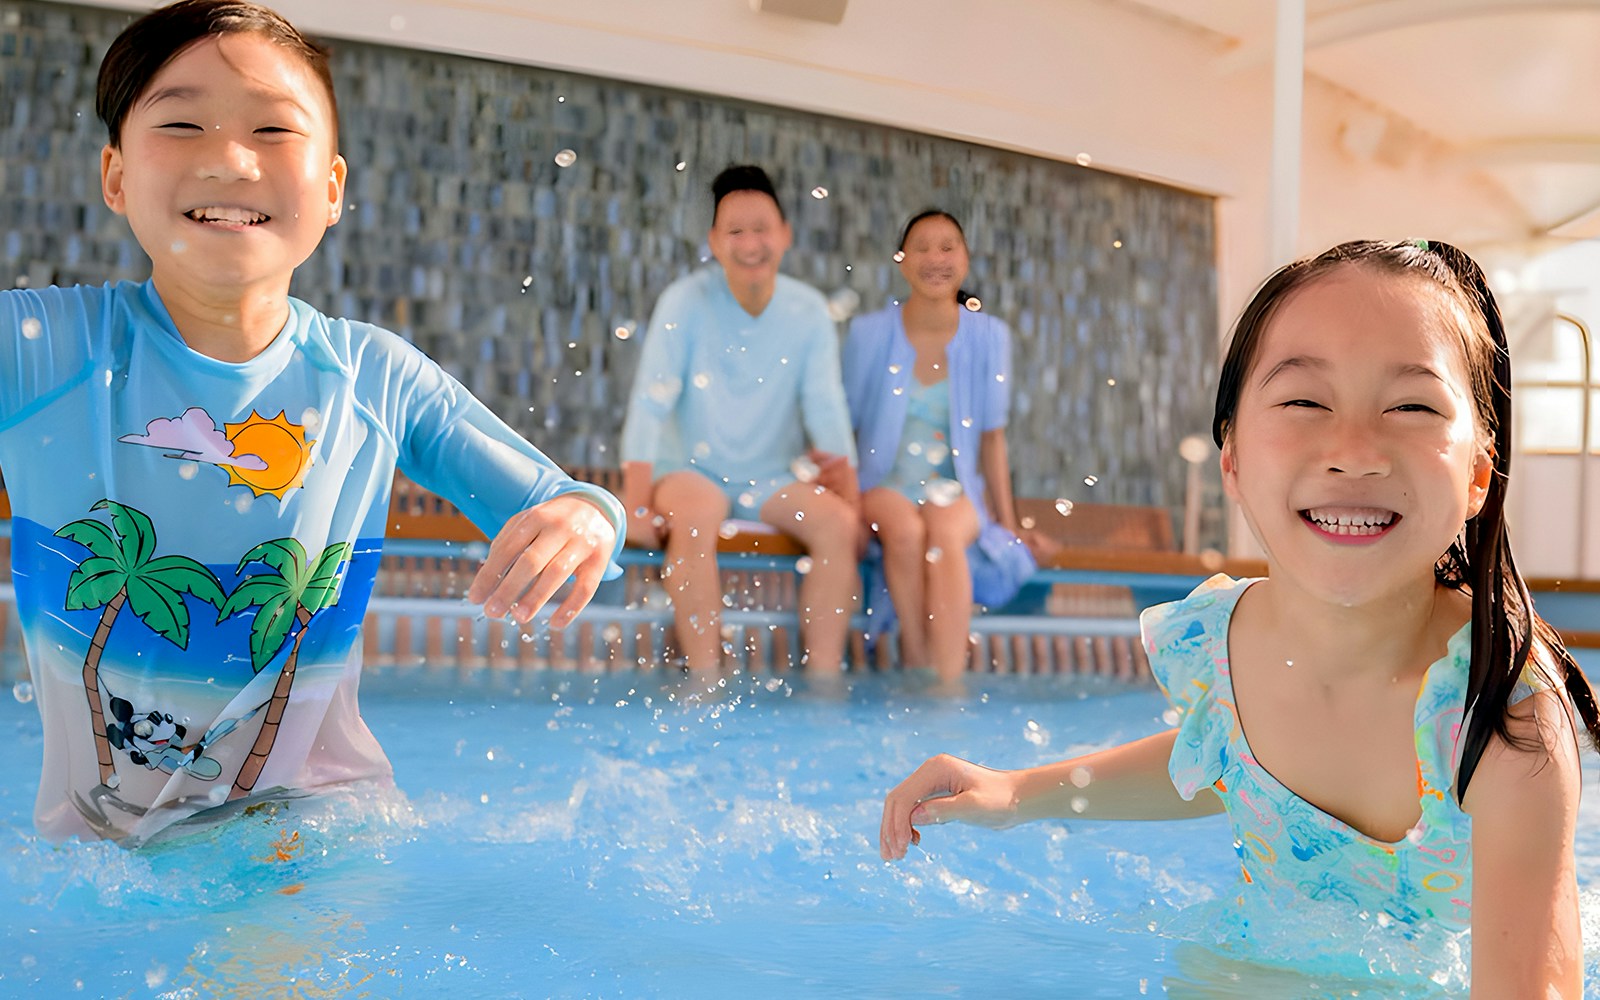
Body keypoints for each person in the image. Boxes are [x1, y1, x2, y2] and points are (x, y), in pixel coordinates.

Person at [879, 240, 1600, 994]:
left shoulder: (1500, 719)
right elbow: (1221, 754)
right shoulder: (1230, 641)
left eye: (1412, 406)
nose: (1354, 451)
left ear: (1480, 473)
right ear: (1232, 459)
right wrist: (1017, 792)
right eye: (1303, 401)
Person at [0, 0, 623, 845]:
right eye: (181, 123)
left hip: (317, 823)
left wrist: (583, 518)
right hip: (104, 843)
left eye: (273, 131)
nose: (228, 159)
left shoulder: (373, 376)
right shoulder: (42, 351)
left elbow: (558, 497)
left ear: (331, 189)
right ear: (115, 177)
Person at [619, 165, 860, 676]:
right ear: (714, 241)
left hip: (770, 478)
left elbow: (825, 403)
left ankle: (824, 682)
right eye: (735, 230)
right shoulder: (685, 300)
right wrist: (636, 502)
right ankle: (705, 679)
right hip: (687, 470)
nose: (750, 242)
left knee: (838, 526)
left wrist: (851, 496)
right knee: (699, 512)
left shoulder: (810, 311)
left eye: (761, 228)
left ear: (785, 235)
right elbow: (650, 400)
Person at [843, 210, 1037, 687]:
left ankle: (948, 687)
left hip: (954, 487)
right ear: (902, 260)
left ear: (966, 259)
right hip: (883, 483)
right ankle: (916, 662)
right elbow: (840, 426)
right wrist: (845, 503)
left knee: (945, 534)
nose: (936, 258)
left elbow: (992, 437)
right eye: (922, 247)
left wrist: (1007, 523)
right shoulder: (868, 334)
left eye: (948, 246)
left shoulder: (990, 337)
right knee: (906, 531)